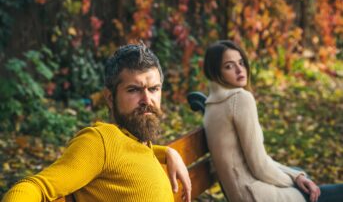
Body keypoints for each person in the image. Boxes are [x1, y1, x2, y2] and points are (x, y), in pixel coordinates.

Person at [2, 43, 191, 202]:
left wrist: (165, 151)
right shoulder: (100, 140)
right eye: (134, 90)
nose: (146, 100)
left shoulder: (137, 141)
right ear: (110, 98)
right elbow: (35, 186)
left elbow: (126, 157)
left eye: (154, 89)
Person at [202, 40, 343, 202]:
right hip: (256, 195)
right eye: (229, 66)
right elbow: (260, 166)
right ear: (215, 72)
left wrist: (296, 176)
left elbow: (257, 160)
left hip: (242, 192)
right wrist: (294, 184)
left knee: (299, 173)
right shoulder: (239, 99)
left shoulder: (212, 105)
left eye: (241, 63)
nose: (240, 70)